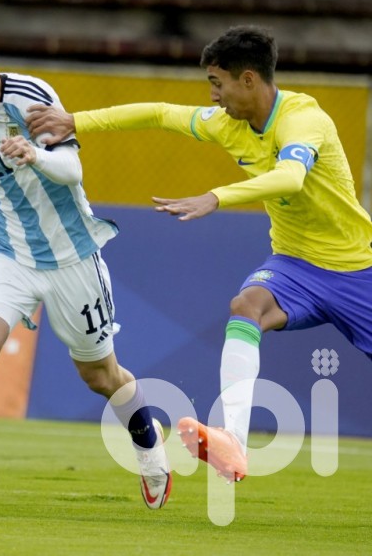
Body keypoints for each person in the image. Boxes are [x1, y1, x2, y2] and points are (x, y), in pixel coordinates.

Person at [26, 25, 372, 483]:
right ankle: (234, 442)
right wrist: (76, 121)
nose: (213, 95)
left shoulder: (304, 119)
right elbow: (159, 113)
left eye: (217, 82)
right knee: (246, 308)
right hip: (293, 265)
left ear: (248, 79)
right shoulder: (228, 125)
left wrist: (216, 196)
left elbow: (290, 178)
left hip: (356, 269)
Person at [0, 27, 172, 509]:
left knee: (101, 376)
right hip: (11, 249)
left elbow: (72, 172)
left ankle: (149, 448)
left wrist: (34, 153)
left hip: (72, 255)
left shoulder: (33, 98)